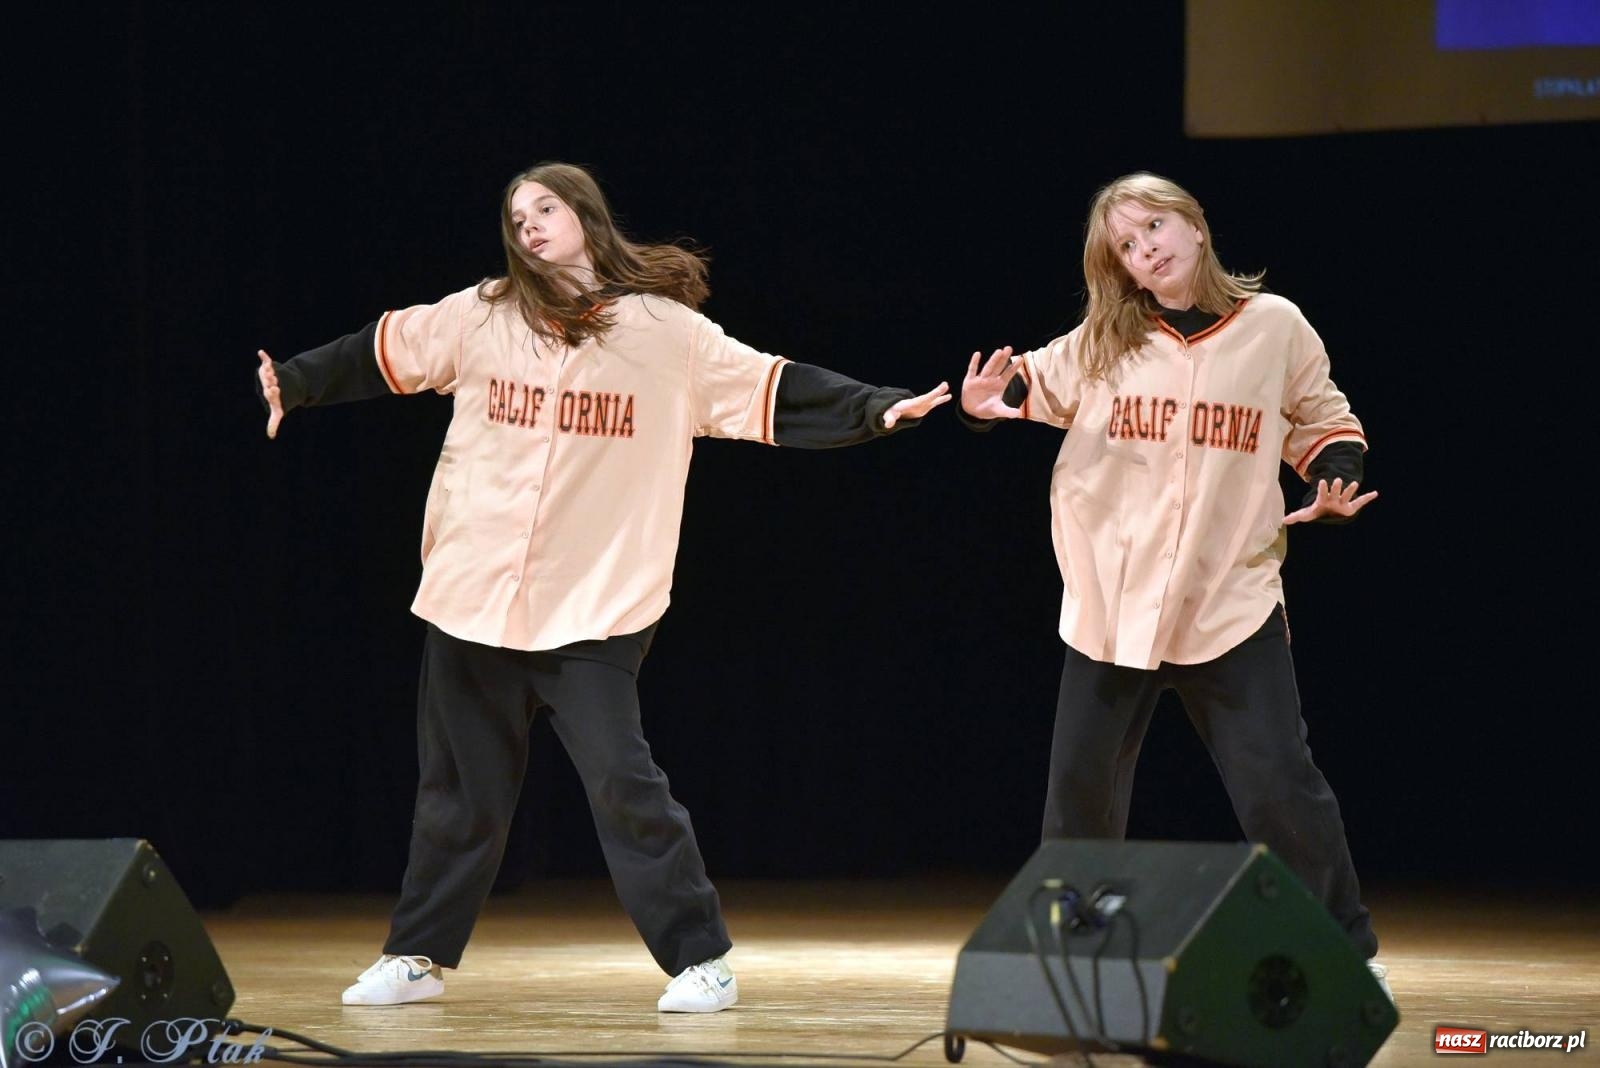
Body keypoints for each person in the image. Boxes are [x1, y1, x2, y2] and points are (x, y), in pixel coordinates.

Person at [254, 161, 950, 1013]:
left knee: (624, 783)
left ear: (585, 214)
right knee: (458, 796)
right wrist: (295, 380)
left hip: (596, 601)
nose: (530, 226)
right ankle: (417, 957)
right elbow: (382, 348)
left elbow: (771, 386)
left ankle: (701, 960)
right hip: (472, 592)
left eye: (545, 208)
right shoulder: (481, 315)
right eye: (517, 218)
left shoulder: (665, 333)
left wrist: (877, 408)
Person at [958, 172, 1388, 992]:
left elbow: (1324, 419)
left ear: (1194, 224)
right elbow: (1027, 384)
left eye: (1153, 226)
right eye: (1126, 245)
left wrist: (1334, 477)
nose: (1145, 249)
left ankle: (1342, 953)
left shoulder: (1274, 326)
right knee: (1080, 794)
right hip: (1113, 601)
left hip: (1229, 597)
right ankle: (1073, 962)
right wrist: (983, 403)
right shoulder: (1105, 339)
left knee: (1279, 785)